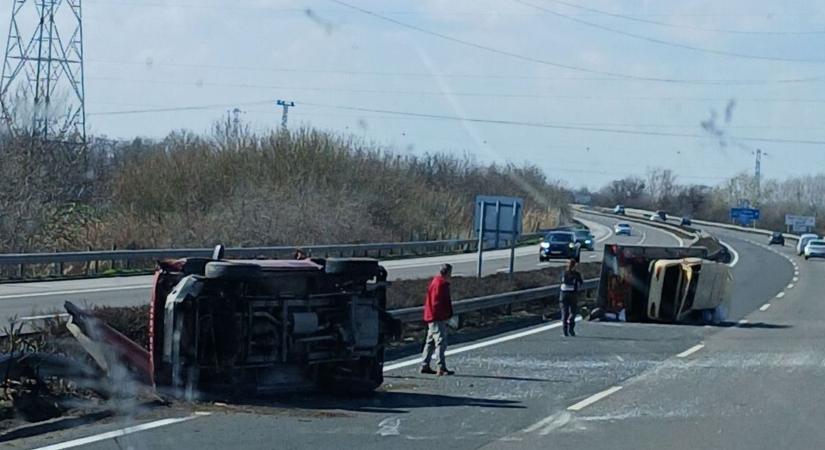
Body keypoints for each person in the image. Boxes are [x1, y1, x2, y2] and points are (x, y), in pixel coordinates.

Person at [420, 264, 455, 376]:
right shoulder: (442, 284)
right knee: (440, 341)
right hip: (437, 317)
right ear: (447, 272)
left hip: (431, 315)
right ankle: (441, 367)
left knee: (430, 342)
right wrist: (446, 314)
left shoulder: (435, 281)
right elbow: (440, 302)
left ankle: (425, 365)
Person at [560, 259, 583, 337]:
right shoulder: (576, 274)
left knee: (564, 312)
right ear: (575, 265)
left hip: (564, 294)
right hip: (572, 294)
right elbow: (581, 283)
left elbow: (562, 282)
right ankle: (571, 329)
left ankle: (565, 331)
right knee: (573, 312)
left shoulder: (564, 273)